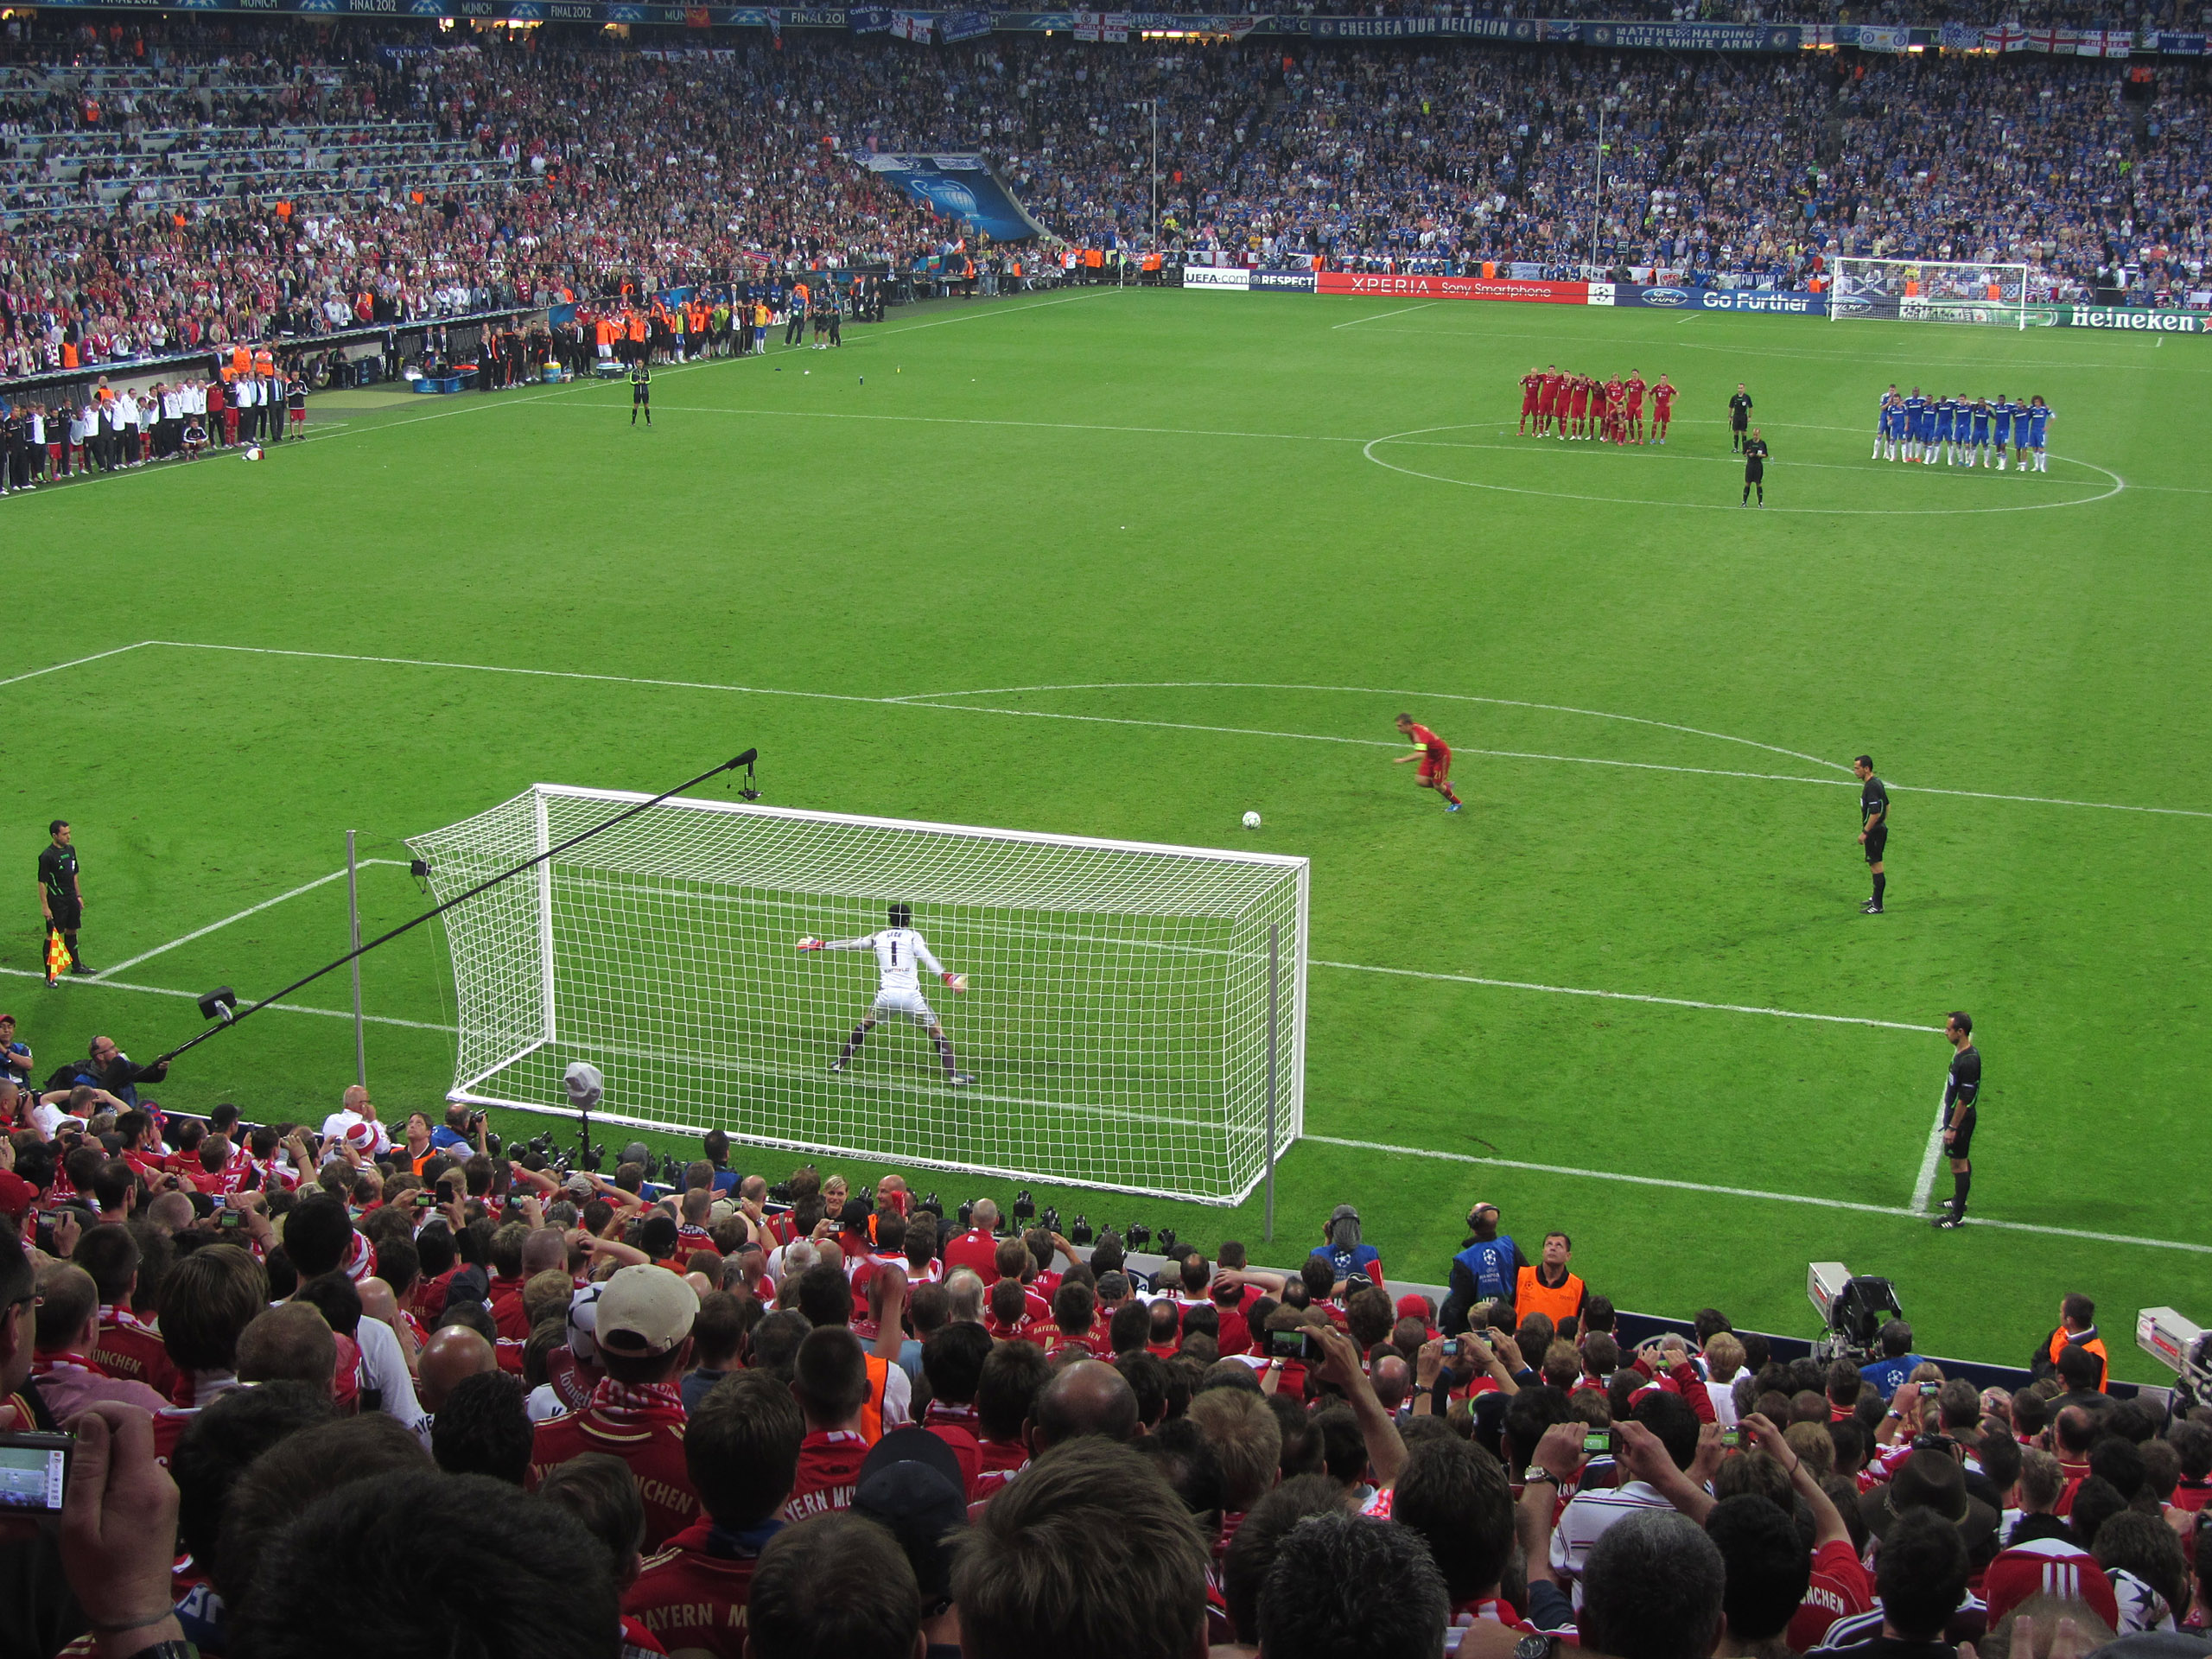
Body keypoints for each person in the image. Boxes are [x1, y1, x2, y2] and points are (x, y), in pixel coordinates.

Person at [799, 902, 975, 1085]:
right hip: (911, 998)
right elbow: (926, 956)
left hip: (886, 996)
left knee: (866, 1023)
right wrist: (947, 977)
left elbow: (852, 944)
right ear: (908, 919)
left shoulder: (879, 936)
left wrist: (822, 945)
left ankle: (840, 1064)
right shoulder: (913, 936)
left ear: (890, 918)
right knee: (936, 1031)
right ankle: (953, 1074)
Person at [1930, 1011, 1980, 1230]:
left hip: (1961, 1120)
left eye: (1949, 1029)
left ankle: (1957, 1215)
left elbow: (1965, 1100)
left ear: (1961, 1032)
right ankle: (1958, 1200)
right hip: (1958, 1119)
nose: (1945, 1032)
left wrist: (1952, 1127)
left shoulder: (1969, 1061)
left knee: (1958, 1164)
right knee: (1959, 1161)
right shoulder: (1961, 1054)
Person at [38, 819, 90, 977]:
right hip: (57, 901)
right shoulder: (47, 856)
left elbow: (74, 875)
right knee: (53, 935)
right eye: (65, 834)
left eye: (69, 833)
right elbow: (42, 883)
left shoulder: (71, 850)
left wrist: (78, 895)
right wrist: (45, 907)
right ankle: (50, 975)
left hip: (71, 898)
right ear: (55, 835)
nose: (68, 837)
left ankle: (77, 966)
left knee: (72, 930)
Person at [1391, 713, 1463, 812]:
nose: (1398, 728)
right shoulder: (1413, 729)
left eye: (1400, 726)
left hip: (1441, 757)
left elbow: (1420, 754)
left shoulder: (1419, 735)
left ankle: (1456, 803)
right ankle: (1446, 787)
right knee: (1421, 781)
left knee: (1437, 785)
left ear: (1408, 725)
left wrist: (1403, 760)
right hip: (1430, 755)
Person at [1853, 754, 1889, 914]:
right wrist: (1882, 822)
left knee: (1876, 867)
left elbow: (1875, 812)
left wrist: (1865, 832)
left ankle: (1878, 906)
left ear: (1866, 769)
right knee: (1874, 865)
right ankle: (1875, 898)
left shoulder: (1871, 787)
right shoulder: (1877, 782)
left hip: (1874, 832)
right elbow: (1887, 805)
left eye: (1857, 768)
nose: (1855, 771)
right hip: (1878, 829)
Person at [1740, 427, 1768, 506]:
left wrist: (1757, 455)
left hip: (1758, 466)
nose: (1755, 436)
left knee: (1758, 483)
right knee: (1747, 483)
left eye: (1756, 435)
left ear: (1759, 434)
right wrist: (1749, 454)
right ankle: (1744, 502)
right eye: (1754, 435)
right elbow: (1744, 454)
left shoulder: (1762, 444)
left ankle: (1760, 502)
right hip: (1750, 465)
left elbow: (1765, 455)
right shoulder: (1748, 443)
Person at [2024, 396, 2052, 474]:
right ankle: (2036, 466)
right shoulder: (2032, 410)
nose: (2037, 403)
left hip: (2041, 432)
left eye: (2038, 402)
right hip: (2033, 431)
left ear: (2041, 402)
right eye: (2035, 402)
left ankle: (2042, 467)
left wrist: (2047, 427)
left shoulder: (2045, 409)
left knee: (2041, 448)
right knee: (2034, 448)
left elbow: (2053, 417)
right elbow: (2027, 418)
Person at [1728, 383, 1753, 453]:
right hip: (1736, 416)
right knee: (1735, 431)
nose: (1740, 389)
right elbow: (1730, 407)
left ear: (1744, 389)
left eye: (1741, 388)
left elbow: (1750, 407)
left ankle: (1744, 449)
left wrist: (1750, 416)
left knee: (1744, 432)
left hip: (1743, 416)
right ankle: (1735, 448)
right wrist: (1730, 416)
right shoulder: (1734, 398)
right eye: (1739, 388)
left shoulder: (1747, 397)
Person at [1650, 373, 1675, 444]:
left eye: (1664, 379)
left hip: (1666, 408)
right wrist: (1653, 402)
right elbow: (1650, 394)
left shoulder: (1670, 388)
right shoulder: (1656, 387)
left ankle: (1662, 438)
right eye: (1662, 379)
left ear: (1667, 380)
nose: (1663, 380)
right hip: (1658, 408)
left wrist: (1672, 402)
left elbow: (1677, 394)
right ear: (1660, 379)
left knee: (1664, 423)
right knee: (1655, 423)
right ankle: (1653, 439)